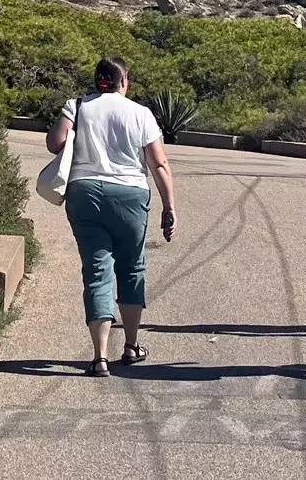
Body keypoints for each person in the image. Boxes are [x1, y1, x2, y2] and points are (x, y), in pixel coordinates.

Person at [45, 57, 178, 376]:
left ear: (97, 80)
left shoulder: (76, 106)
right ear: (125, 80)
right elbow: (158, 164)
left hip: (85, 191)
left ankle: (99, 356)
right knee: (131, 267)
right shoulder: (141, 113)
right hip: (130, 195)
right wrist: (169, 206)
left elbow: (55, 143)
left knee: (96, 270)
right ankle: (131, 346)